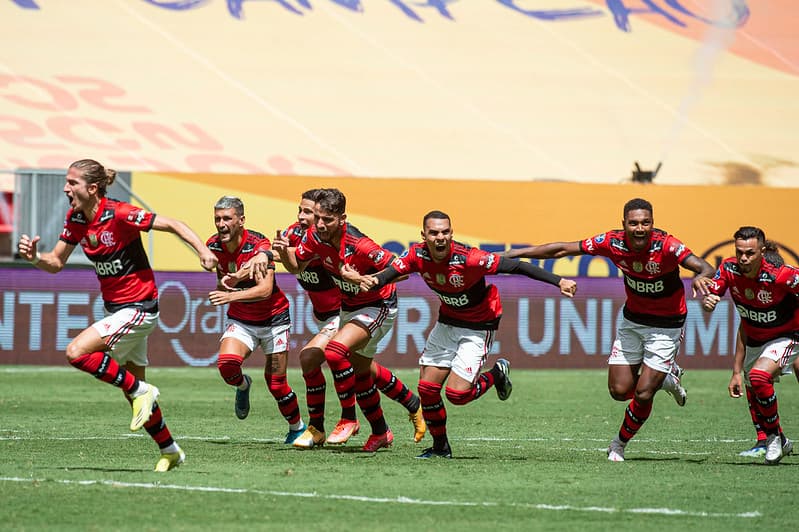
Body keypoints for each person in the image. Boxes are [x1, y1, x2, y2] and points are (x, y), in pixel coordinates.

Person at [16, 159, 217, 472]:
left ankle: (141, 390)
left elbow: (174, 224)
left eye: (72, 183)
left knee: (76, 352)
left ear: (92, 188)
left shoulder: (119, 213)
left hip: (140, 308)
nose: (66, 188)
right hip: (117, 309)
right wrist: (34, 258)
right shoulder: (76, 218)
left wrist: (203, 252)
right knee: (135, 396)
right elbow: (55, 262)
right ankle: (170, 450)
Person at [353, 210, 577, 459]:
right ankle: (440, 448)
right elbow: (392, 272)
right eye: (434, 232)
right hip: (448, 322)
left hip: (479, 326)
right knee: (427, 389)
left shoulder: (470, 258)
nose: (440, 237)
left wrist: (559, 281)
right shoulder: (417, 254)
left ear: (452, 233)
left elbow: (516, 266)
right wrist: (375, 281)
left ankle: (497, 373)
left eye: (445, 232)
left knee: (457, 395)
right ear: (424, 235)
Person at [505, 198, 715, 462]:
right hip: (632, 322)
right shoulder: (611, 242)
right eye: (634, 223)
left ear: (653, 223)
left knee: (643, 393)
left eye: (646, 223)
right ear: (624, 224)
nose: (640, 229)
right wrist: (512, 255)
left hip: (666, 326)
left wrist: (700, 277)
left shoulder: (668, 245)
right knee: (618, 391)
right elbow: (561, 249)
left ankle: (618, 444)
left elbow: (705, 267)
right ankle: (665, 378)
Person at [276, 190, 425, 449]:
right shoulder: (313, 236)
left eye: (328, 220)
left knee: (334, 353)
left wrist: (363, 279)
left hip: (378, 304)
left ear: (342, 219)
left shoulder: (360, 245)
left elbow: (401, 271)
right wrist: (283, 253)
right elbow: (297, 267)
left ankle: (348, 419)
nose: (320, 224)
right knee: (360, 371)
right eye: (318, 217)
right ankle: (382, 431)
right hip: (350, 307)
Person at [206, 196, 307, 444]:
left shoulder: (258, 245)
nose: (221, 224)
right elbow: (224, 282)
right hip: (242, 319)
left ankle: (297, 428)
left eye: (227, 218)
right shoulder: (213, 246)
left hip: (275, 319)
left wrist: (232, 293)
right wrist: (229, 283)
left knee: (276, 384)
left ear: (241, 221)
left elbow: (264, 289)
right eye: (217, 218)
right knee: (227, 364)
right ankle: (242, 386)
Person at [702, 226, 798, 465]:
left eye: (750, 253)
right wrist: (708, 301)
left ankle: (774, 438)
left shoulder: (781, 274)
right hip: (755, 340)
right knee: (753, 386)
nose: (743, 258)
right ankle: (776, 439)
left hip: (787, 335)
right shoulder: (728, 269)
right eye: (740, 252)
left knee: (758, 377)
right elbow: (712, 297)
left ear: (762, 252)